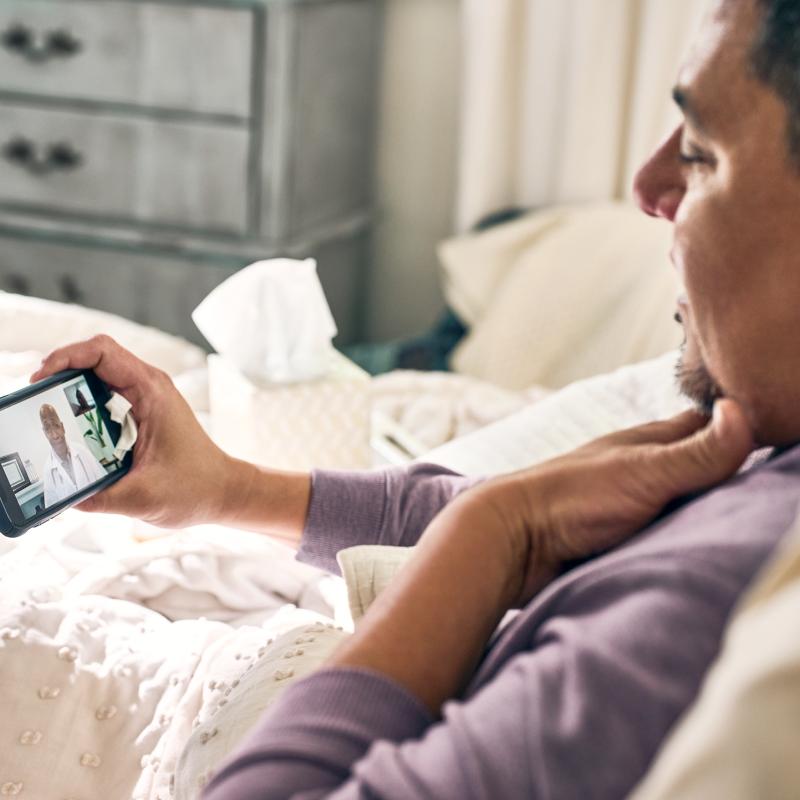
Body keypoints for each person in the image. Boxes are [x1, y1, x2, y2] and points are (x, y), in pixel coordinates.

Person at [28, 0, 800, 796]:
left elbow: (502, 524)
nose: (647, 187)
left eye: (702, 152)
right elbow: (505, 513)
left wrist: (494, 533)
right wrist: (225, 488)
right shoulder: (755, 449)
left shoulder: (702, 610)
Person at [39, 403, 107, 508]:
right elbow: (53, 513)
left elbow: (105, 484)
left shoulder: (82, 451)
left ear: (62, 427)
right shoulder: (48, 470)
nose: (55, 435)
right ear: (44, 433)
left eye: (56, 426)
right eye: (48, 429)